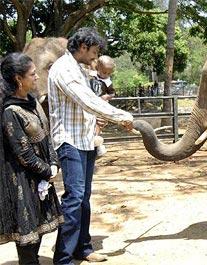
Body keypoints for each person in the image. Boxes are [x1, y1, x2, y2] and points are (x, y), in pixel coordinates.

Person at [48, 27, 133, 265]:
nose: (95, 58)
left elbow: (90, 103)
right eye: (94, 52)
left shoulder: (80, 69)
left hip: (85, 140)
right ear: (83, 48)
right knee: (74, 197)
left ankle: (82, 248)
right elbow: (86, 100)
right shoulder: (64, 70)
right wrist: (121, 116)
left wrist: (101, 117)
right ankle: (63, 258)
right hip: (69, 141)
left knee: (84, 197)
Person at [0, 53, 63, 264]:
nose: (37, 77)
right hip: (22, 180)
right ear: (19, 78)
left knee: (40, 228)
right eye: (33, 74)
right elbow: (23, 153)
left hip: (42, 177)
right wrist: (48, 170)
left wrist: (53, 162)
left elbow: (46, 136)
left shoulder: (32, 102)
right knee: (27, 236)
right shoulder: (11, 111)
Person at [89, 55, 116, 157]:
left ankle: (97, 142)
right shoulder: (91, 76)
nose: (106, 75)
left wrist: (106, 97)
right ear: (97, 68)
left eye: (109, 73)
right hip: (91, 103)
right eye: (104, 72)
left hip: (101, 105)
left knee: (99, 122)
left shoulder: (108, 82)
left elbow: (113, 94)